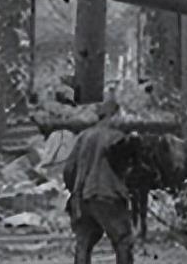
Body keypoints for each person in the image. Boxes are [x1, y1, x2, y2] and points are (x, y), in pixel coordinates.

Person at [64, 99, 135, 264]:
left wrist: (75, 191)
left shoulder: (83, 137)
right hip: (109, 195)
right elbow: (129, 171)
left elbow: (69, 169)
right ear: (114, 115)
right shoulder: (118, 138)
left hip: (82, 197)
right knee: (123, 240)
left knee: (83, 244)